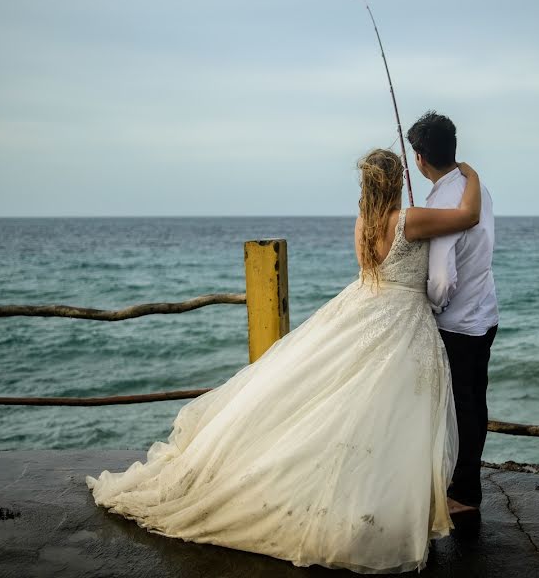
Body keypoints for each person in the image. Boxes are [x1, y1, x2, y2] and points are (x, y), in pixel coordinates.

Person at [86, 149, 483, 574]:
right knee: (394, 414)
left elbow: (373, 273)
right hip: (402, 320)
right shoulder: (410, 220)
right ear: (393, 181)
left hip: (364, 309)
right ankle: (386, 506)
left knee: (352, 406)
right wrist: (469, 173)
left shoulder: (363, 224)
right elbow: (468, 216)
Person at [407, 111, 499, 516]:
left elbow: (442, 277)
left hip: (457, 323)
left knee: (460, 407)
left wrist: (431, 307)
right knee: (474, 402)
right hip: (485, 314)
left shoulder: (445, 202)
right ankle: (466, 485)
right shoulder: (476, 190)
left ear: (420, 158)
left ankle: (463, 494)